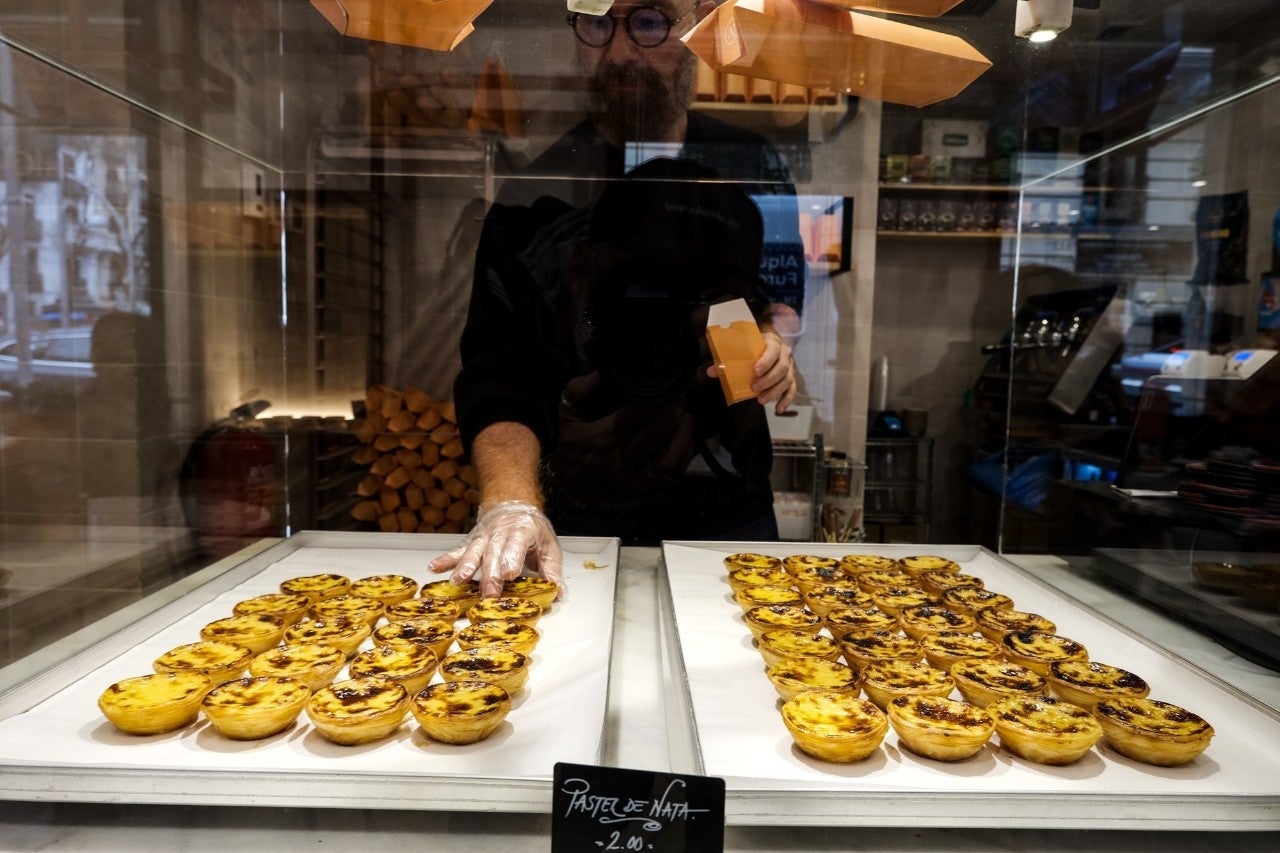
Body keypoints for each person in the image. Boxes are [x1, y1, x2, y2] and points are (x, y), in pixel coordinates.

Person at [429, 1, 801, 597]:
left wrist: (774, 344)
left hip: (727, 510)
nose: (622, 50)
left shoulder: (747, 168)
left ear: (698, 27)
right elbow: (503, 374)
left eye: (650, 20)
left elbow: (772, 303)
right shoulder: (535, 199)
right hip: (577, 518)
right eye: (598, 20)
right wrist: (511, 504)